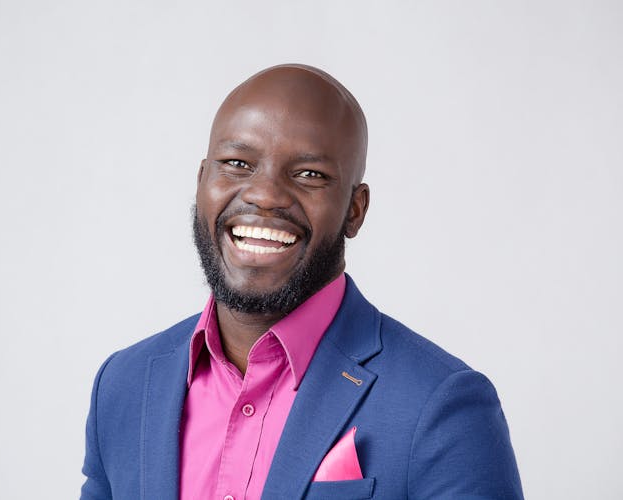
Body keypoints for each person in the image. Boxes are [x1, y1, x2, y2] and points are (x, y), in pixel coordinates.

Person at [80, 64, 523, 500]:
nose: (265, 194)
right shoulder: (124, 385)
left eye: (309, 174)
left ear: (355, 209)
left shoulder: (440, 405)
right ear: (201, 181)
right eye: (237, 163)